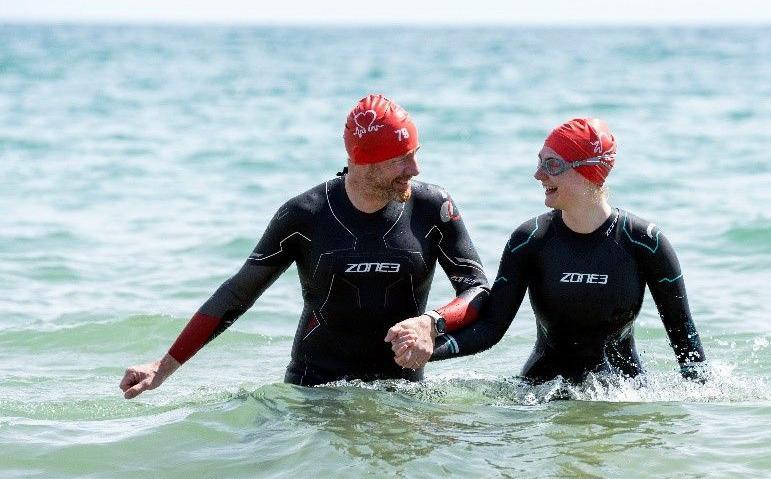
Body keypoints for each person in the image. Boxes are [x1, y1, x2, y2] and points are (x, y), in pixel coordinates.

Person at [120, 94, 489, 398]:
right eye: (401, 159)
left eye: (415, 152)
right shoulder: (306, 215)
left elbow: (477, 290)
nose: (416, 168)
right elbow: (236, 295)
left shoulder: (432, 208)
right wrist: (163, 366)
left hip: (401, 393)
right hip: (314, 393)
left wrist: (432, 324)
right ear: (364, 162)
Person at [390, 117, 706, 383]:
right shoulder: (531, 240)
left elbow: (685, 339)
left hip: (623, 399)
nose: (538, 175)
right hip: (540, 395)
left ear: (589, 172)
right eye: (540, 162)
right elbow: (491, 328)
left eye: (552, 165)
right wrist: (429, 347)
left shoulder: (644, 242)